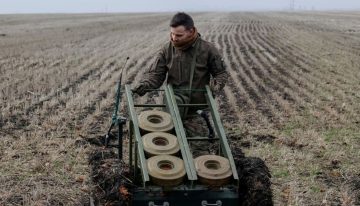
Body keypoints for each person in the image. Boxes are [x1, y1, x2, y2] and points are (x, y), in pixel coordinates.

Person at [133, 12, 229, 156]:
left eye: (179, 35)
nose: (174, 38)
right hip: (172, 108)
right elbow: (156, 75)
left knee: (200, 151)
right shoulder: (166, 50)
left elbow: (221, 74)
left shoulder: (207, 50)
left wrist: (216, 86)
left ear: (191, 31)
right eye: (172, 34)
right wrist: (144, 86)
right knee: (167, 150)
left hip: (196, 111)